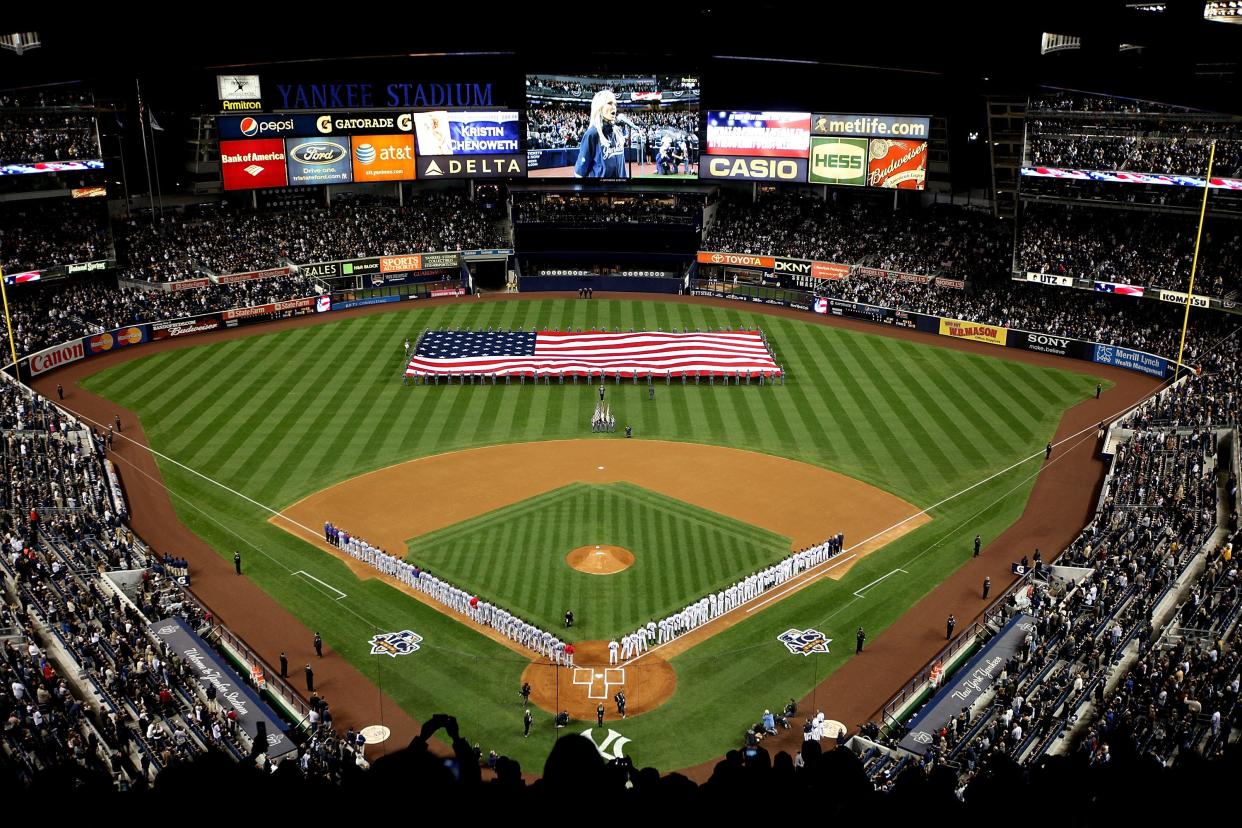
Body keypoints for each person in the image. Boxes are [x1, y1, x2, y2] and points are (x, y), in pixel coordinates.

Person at [574, 89, 628, 179]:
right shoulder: (592, 134)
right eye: (610, 103)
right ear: (599, 107)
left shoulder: (617, 132)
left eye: (615, 104)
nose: (614, 107)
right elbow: (580, 171)